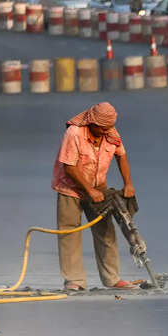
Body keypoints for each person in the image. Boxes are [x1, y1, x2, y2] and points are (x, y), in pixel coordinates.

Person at [51, 102, 137, 291]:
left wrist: (128, 184)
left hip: (99, 188)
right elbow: (69, 167)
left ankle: (112, 278)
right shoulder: (74, 133)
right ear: (92, 122)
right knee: (69, 233)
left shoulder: (110, 132)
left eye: (109, 128)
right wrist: (89, 190)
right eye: (103, 128)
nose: (106, 131)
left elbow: (121, 156)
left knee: (106, 232)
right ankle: (74, 280)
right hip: (70, 189)